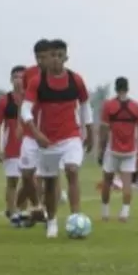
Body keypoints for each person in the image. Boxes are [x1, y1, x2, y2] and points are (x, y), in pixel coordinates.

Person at [21, 38, 93, 238]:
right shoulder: (38, 82)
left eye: (59, 56)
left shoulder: (75, 80)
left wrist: (90, 132)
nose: (55, 60)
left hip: (71, 137)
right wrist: (36, 133)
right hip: (48, 140)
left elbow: (86, 106)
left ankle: (76, 217)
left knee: (72, 170)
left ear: (66, 58)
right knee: (51, 182)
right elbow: (25, 110)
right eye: (52, 56)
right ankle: (51, 221)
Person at [98, 76, 138, 222]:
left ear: (116, 88)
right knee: (127, 183)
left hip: (113, 150)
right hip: (130, 150)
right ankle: (124, 213)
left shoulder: (109, 105)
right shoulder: (136, 106)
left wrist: (100, 149)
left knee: (107, 180)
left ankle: (105, 212)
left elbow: (104, 130)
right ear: (128, 88)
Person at [17, 40, 51, 224]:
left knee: (48, 176)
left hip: (50, 133)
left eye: (44, 56)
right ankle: (37, 207)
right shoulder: (29, 74)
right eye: (37, 57)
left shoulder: (58, 75)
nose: (40, 60)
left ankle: (44, 212)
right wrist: (19, 124)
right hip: (31, 131)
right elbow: (23, 101)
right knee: (27, 174)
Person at [0, 65, 28, 226]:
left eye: (22, 77)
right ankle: (13, 213)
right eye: (16, 77)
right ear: (11, 80)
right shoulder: (4, 101)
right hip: (11, 147)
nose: (19, 80)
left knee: (29, 182)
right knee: (12, 181)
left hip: (30, 146)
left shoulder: (32, 99)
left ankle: (21, 209)